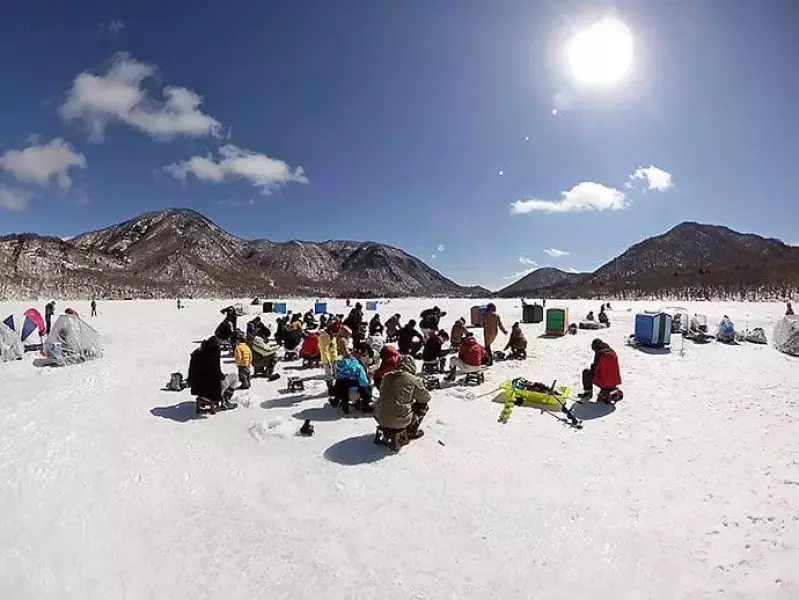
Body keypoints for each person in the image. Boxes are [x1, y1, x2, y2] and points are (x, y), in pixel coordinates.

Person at [375, 355, 431, 442]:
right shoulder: (412, 379)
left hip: (380, 417)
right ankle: (412, 431)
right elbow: (425, 398)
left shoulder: (386, 377)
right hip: (400, 419)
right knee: (423, 406)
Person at [188, 336, 236, 411]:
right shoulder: (213, 355)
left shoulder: (196, 353)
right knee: (234, 377)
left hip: (197, 388)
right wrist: (223, 376)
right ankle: (225, 401)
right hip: (213, 391)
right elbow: (217, 373)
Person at [578, 338, 622, 403]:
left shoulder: (600, 353)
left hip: (605, 382)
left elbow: (594, 370)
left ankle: (588, 393)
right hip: (615, 381)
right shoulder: (612, 351)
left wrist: (592, 366)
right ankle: (608, 392)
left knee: (586, 372)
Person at [319, 322, 340, 389]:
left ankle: (337, 386)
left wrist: (335, 358)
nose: (336, 334)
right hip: (326, 360)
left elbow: (333, 348)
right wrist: (327, 361)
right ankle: (331, 387)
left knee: (336, 374)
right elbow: (324, 350)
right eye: (335, 332)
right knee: (329, 375)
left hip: (334, 358)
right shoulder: (324, 337)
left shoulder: (332, 336)